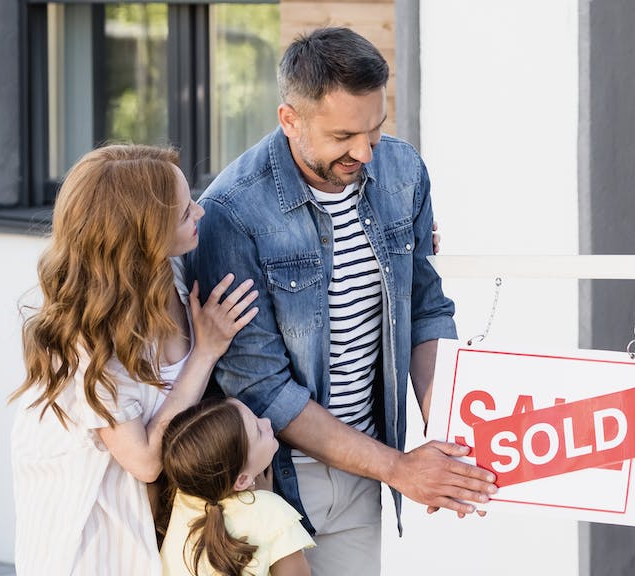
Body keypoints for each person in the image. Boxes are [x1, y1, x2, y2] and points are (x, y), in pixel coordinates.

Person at [185, 27, 497, 575]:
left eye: (375, 128)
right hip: (269, 478)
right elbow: (263, 388)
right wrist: (401, 468)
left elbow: (425, 309)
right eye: (344, 135)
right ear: (290, 120)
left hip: (365, 468)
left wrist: (448, 440)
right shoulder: (231, 213)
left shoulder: (403, 171)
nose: (365, 152)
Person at [10, 144, 258, 575]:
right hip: (94, 541)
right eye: (184, 212)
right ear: (142, 236)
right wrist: (204, 353)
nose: (200, 213)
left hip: (157, 528)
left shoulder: (172, 272)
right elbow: (143, 460)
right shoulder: (89, 339)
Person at [160, 398, 314, 576]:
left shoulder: (183, 497)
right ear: (242, 480)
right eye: (258, 432)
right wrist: (265, 502)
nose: (266, 422)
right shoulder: (271, 511)